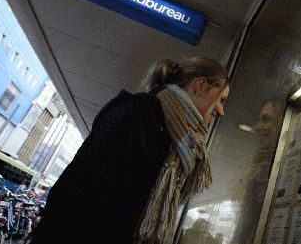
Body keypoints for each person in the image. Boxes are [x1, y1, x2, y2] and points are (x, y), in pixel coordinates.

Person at [32, 57, 230, 244]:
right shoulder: (138, 114)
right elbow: (83, 196)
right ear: (200, 85)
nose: (221, 111)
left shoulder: (173, 137)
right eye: (221, 99)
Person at [231, 99, 284, 244]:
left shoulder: (272, 174)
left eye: (266, 120)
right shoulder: (257, 168)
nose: (257, 126)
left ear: (282, 126)